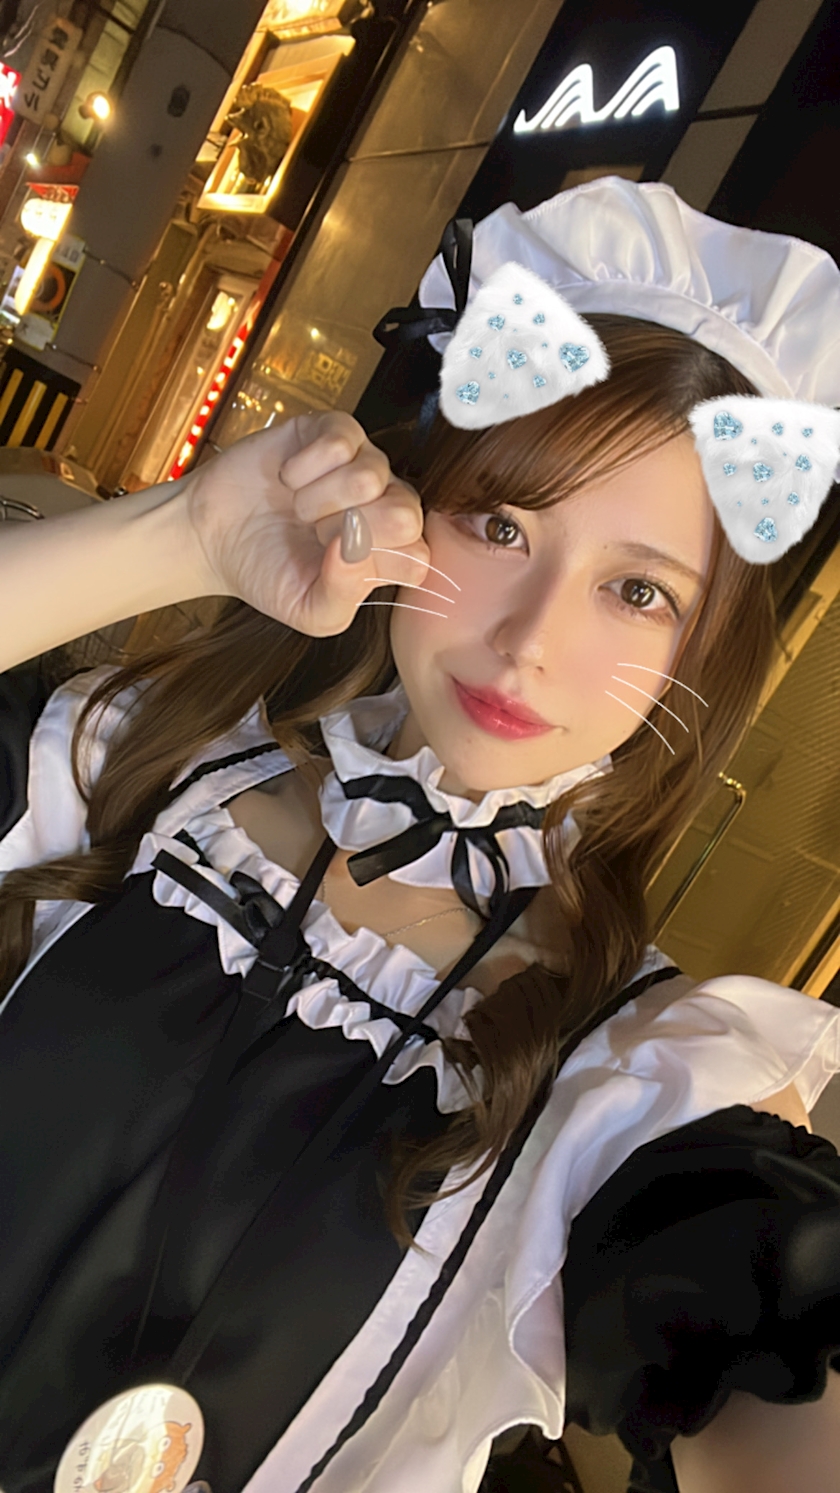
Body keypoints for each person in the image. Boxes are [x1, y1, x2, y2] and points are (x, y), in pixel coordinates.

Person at [0, 177, 839, 1493]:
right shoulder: (129, 769)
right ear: (412, 498)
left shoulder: (631, 1078)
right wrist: (191, 534)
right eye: (501, 525)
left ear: (703, 655)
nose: (531, 637)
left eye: (637, 590)